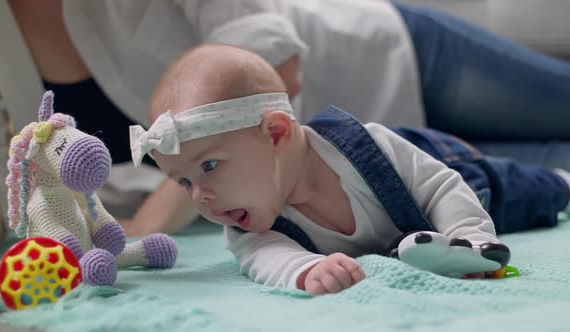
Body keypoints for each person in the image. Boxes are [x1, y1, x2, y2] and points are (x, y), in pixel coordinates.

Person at [0, 0, 570, 258]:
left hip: (391, 60)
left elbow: (277, 64)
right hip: (384, 180)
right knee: (535, 179)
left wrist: (161, 213)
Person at [130, 44, 570, 296]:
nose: (199, 196)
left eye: (209, 166)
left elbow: (441, 187)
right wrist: (306, 272)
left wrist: (473, 238)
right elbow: (267, 261)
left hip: (457, 172)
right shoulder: (251, 231)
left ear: (278, 133)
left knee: (534, 190)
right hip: (410, 239)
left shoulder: (367, 143)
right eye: (184, 181)